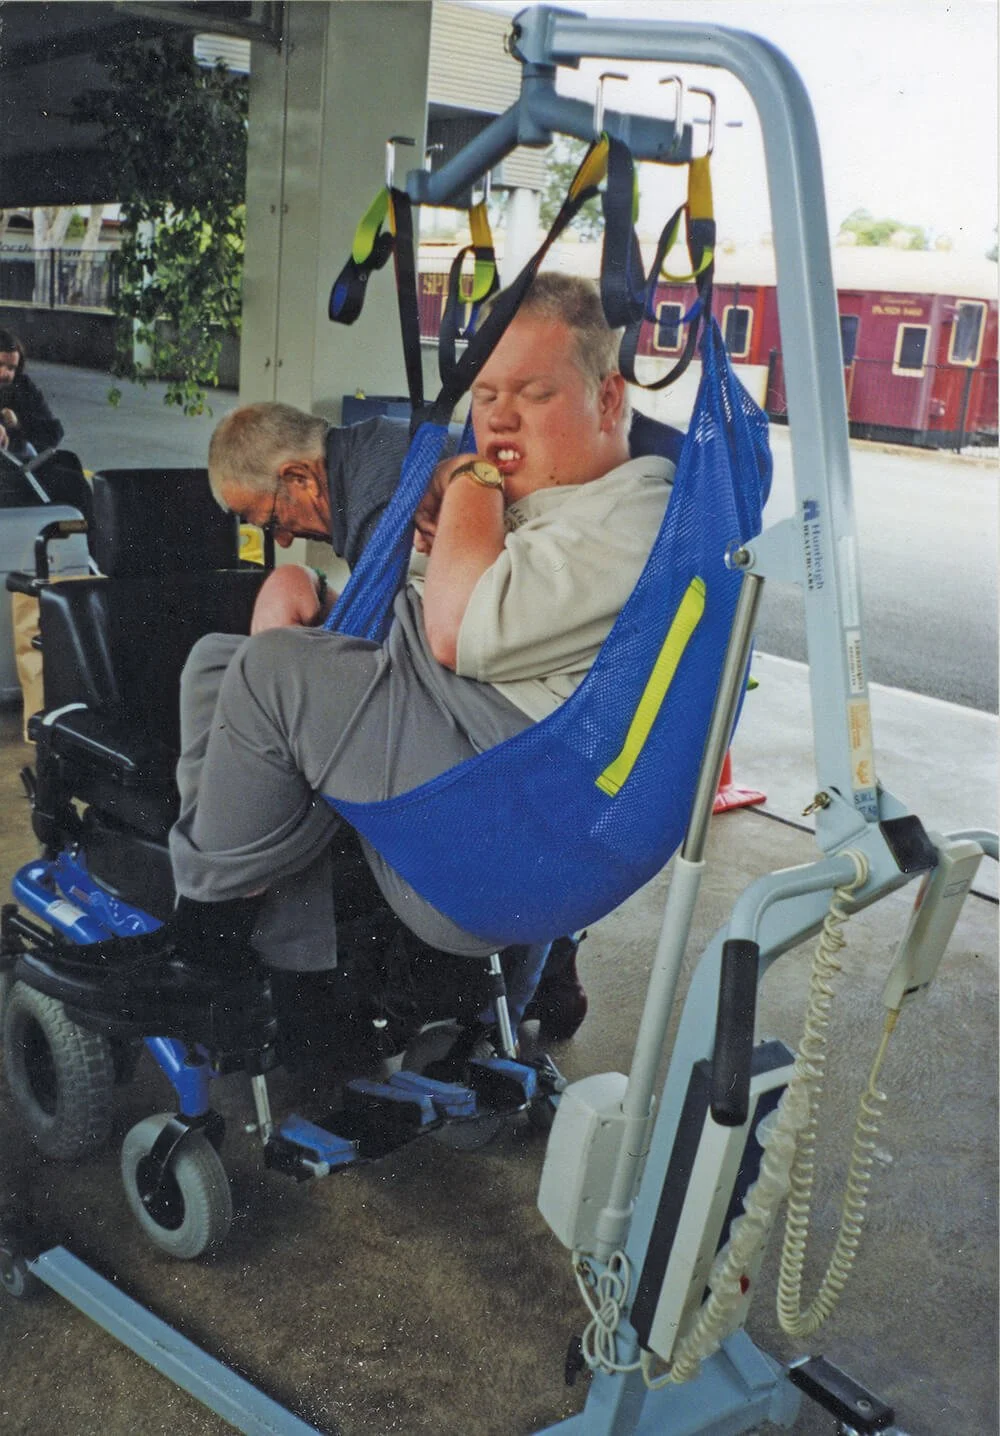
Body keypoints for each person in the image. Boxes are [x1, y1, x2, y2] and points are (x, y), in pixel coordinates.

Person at [25, 273, 675, 1039]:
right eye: (487, 395)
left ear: (608, 401)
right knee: (217, 661)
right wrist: (316, 599)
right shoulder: (547, 502)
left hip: (503, 799)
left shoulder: (632, 514)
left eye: (531, 394)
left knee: (273, 675)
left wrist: (471, 473)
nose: (496, 420)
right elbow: (426, 607)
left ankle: (208, 961)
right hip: (469, 729)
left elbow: (453, 626)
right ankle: (254, 941)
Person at [0, 327, 65, 458]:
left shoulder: (23, 387)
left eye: (11, 368)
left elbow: (54, 432)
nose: (5, 374)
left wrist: (19, 422)